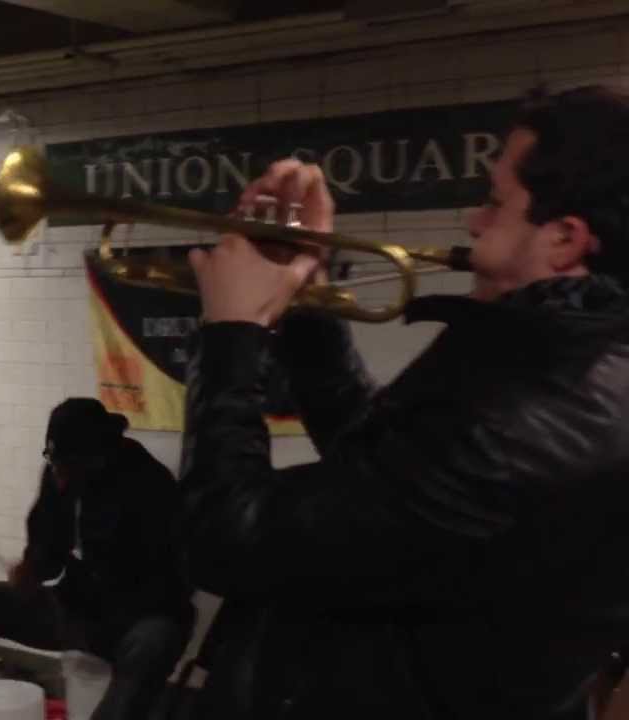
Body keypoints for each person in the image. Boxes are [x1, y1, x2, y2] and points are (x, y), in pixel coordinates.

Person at [177, 84, 629, 719]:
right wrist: (307, 294)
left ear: (564, 239)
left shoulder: (531, 415)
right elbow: (376, 476)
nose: (473, 221)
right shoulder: (553, 360)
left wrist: (231, 334)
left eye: (495, 203)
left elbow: (226, 540)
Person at [0, 397, 193, 720]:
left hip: (135, 617)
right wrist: (32, 569)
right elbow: (49, 553)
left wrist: (102, 605)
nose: (59, 476)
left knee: (155, 641)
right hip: (75, 608)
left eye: (67, 466)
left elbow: (171, 582)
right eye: (53, 462)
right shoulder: (60, 472)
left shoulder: (149, 485)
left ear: (98, 456)